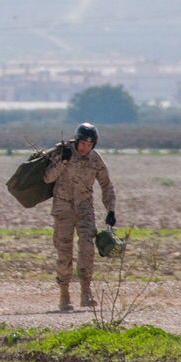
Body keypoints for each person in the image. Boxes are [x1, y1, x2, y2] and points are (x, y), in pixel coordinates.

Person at [42, 122, 116, 311]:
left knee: (87, 248)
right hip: (63, 209)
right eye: (83, 143)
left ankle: (86, 292)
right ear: (77, 141)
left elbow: (106, 185)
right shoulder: (63, 153)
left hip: (85, 210)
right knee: (64, 251)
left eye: (90, 145)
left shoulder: (95, 160)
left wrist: (111, 211)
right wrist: (62, 162)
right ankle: (64, 294)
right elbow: (48, 178)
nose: (85, 148)